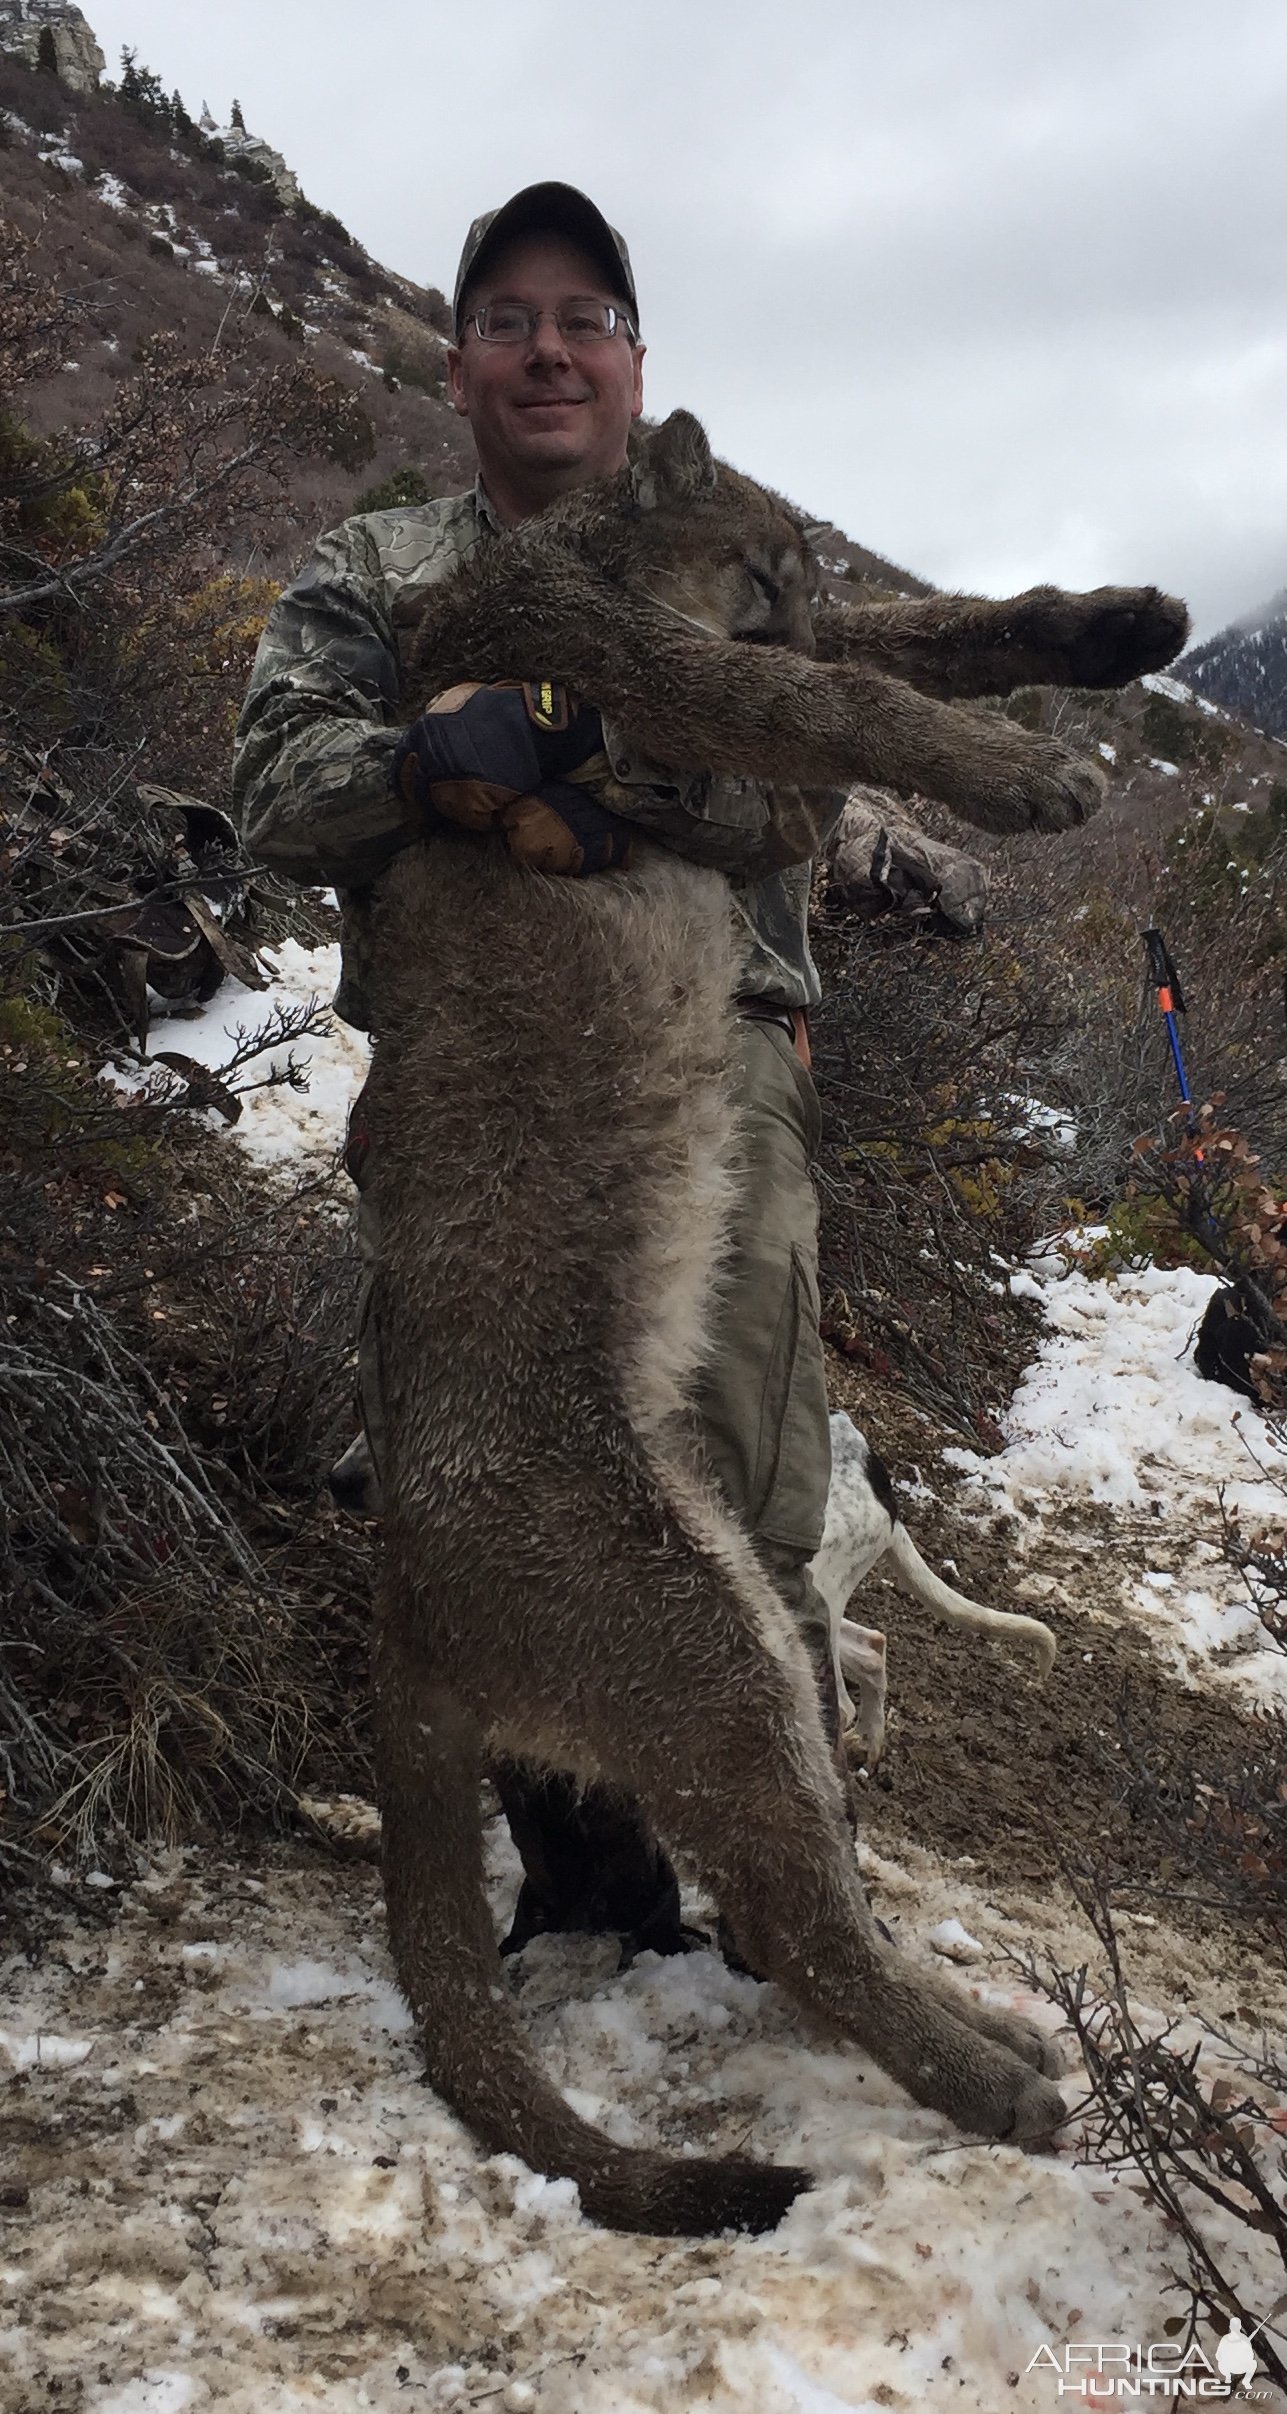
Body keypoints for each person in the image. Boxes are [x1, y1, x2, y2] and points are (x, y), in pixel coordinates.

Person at [233, 182, 966, 1957]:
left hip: (708, 1064)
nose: (547, 348)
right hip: (478, 1094)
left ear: (637, 366)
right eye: (508, 318)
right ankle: (590, 1905)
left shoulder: (736, 560)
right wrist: (430, 759)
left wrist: (567, 755)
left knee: (729, 1471)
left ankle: (803, 1923)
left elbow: (785, 796)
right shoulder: (378, 575)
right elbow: (277, 789)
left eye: (585, 319)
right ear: (460, 361)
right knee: (501, 1484)